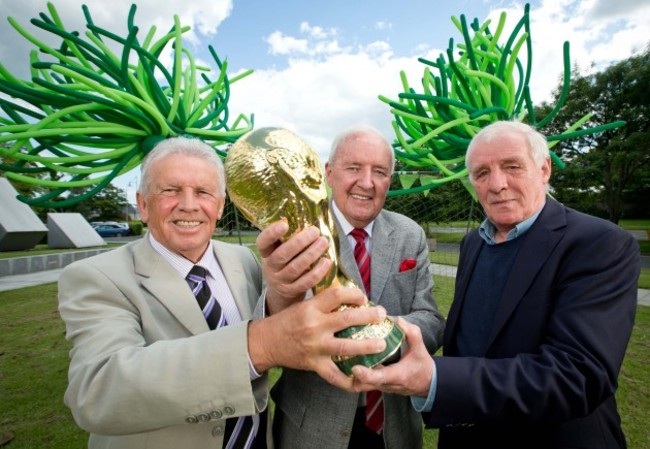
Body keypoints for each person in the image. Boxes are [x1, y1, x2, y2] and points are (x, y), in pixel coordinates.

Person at [57, 136, 387, 449]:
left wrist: (281, 294)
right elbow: (98, 393)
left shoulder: (243, 260)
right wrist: (261, 344)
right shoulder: (95, 277)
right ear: (143, 205)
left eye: (203, 192)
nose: (188, 206)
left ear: (220, 205)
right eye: (170, 190)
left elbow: (272, 318)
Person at [351, 120, 641, 448]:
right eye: (482, 173)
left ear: (544, 168)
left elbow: (578, 375)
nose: (497, 184)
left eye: (512, 166)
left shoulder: (598, 243)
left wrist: (437, 380)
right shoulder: (474, 243)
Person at [265, 125, 446, 449]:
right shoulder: (295, 233)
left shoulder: (410, 234)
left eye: (379, 172)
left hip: (394, 427)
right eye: (354, 168)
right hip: (313, 426)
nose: (367, 182)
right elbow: (268, 325)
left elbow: (430, 320)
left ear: (390, 180)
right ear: (329, 174)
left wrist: (381, 334)